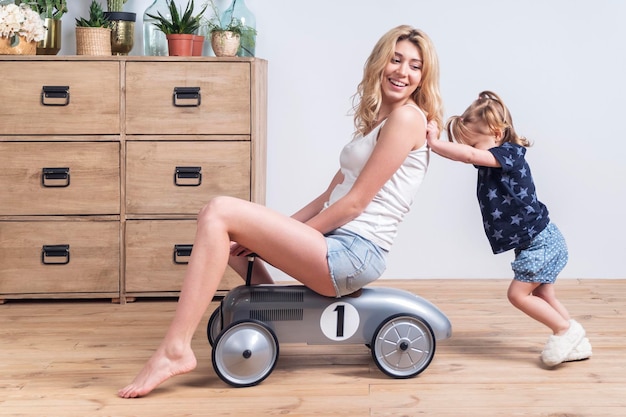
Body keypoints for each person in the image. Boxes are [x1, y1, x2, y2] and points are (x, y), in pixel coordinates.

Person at [118, 25, 444, 398]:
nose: (402, 71)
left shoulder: (407, 119)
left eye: (415, 66)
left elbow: (355, 204)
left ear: (422, 78)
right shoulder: (378, 124)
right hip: (338, 243)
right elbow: (327, 197)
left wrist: (275, 241)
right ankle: (267, 308)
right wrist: (272, 235)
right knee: (226, 231)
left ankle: (174, 350)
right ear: (379, 63)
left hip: (354, 252)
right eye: (396, 59)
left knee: (218, 211)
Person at [425, 91, 591, 367]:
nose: (476, 152)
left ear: (497, 132)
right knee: (543, 295)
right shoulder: (493, 157)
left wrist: (433, 142)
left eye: (478, 144)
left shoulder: (510, 154)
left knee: (517, 295)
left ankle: (564, 331)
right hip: (538, 241)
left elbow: (466, 155)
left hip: (542, 242)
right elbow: (466, 154)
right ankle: (577, 340)